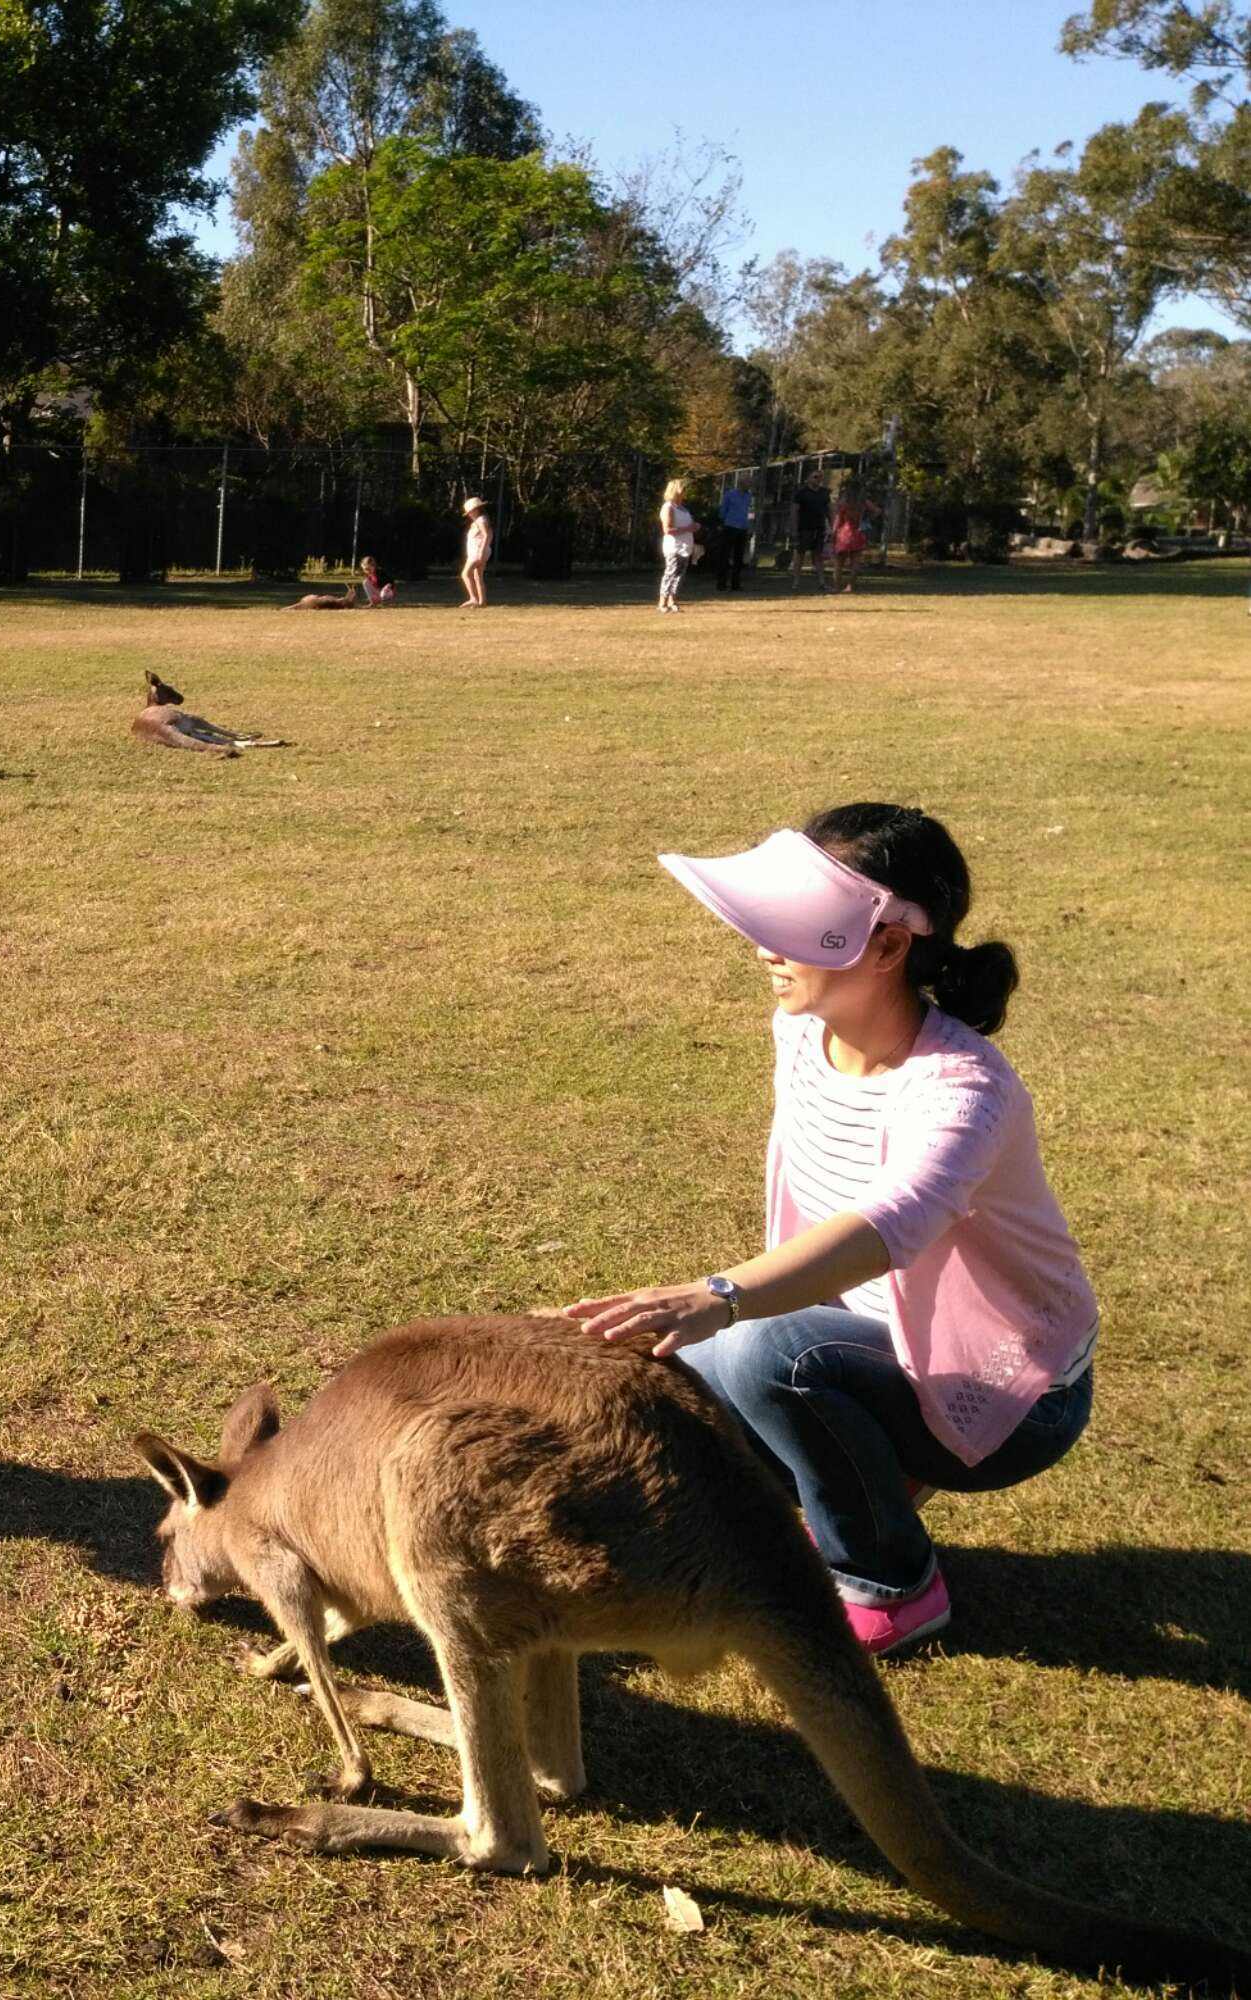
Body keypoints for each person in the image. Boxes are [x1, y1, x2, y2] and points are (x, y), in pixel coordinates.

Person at [564, 804, 1097, 1656]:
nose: (765, 949)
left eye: (794, 929)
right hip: (873, 1344)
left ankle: (894, 1585)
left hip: (1019, 1395)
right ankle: (859, 1479)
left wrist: (720, 1296)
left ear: (884, 947)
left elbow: (892, 1220)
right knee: (658, 1368)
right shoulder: (801, 1027)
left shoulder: (962, 1090)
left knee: (764, 1354)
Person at [657, 478, 698, 614]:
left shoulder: (684, 509)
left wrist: (695, 527)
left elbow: (690, 525)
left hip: (686, 547)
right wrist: (688, 528)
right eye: (683, 489)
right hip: (673, 546)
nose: (685, 492)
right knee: (671, 572)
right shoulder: (668, 507)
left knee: (680, 575)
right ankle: (662, 602)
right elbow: (668, 530)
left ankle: (672, 601)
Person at [792, 478, 831, 589]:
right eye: (815, 476)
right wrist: (794, 528)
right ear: (808, 479)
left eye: (819, 476)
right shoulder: (801, 493)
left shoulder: (824, 493)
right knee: (800, 554)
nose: (817, 479)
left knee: (818, 555)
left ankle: (822, 582)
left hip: (819, 528)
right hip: (804, 528)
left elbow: (829, 509)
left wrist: (832, 526)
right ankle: (796, 582)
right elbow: (795, 511)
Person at [715, 481, 752, 591]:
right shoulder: (730, 495)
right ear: (741, 483)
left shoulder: (749, 496)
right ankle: (721, 583)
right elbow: (723, 510)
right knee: (725, 556)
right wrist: (723, 523)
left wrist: (749, 525)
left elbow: (750, 511)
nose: (749, 485)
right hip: (730, 527)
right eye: (748, 483)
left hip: (743, 528)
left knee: (739, 557)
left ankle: (735, 583)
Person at [833, 487, 870, 591]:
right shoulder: (862, 505)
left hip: (844, 534)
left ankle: (836, 586)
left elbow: (838, 520)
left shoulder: (843, 505)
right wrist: (867, 520)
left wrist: (833, 533)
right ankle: (851, 586)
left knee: (839, 563)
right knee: (855, 563)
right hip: (858, 533)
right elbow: (877, 511)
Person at [458, 496, 492, 608]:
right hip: (479, 551)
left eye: (470, 512)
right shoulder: (482, 519)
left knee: (465, 574)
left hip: (478, 551)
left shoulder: (481, 520)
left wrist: (481, 551)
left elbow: (486, 535)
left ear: (476, 509)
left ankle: (473, 598)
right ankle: (482, 601)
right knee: (478, 576)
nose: (469, 514)